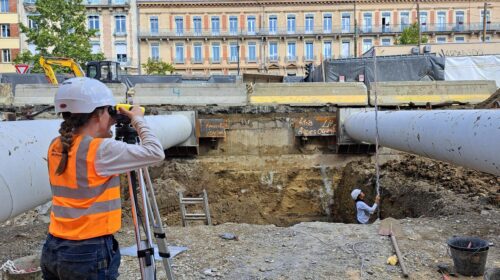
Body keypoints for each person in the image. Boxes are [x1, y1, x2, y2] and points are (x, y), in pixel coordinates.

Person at [41, 77, 165, 280]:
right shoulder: (101, 150)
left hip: (54, 248)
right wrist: (137, 119)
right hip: (88, 252)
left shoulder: (56, 144)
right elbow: (155, 152)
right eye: (109, 111)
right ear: (98, 114)